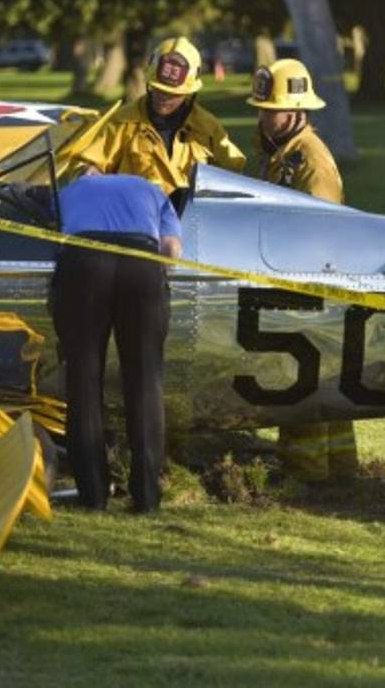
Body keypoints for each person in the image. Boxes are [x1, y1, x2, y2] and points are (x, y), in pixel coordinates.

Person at [247, 58, 357, 482]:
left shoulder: (310, 160)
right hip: (295, 280)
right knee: (323, 383)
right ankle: (341, 472)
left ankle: (305, 475)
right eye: (259, 108)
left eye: (269, 109)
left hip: (312, 285)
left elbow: (323, 233)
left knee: (301, 382)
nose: (262, 116)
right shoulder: (281, 155)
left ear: (295, 110)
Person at [51, 170, 183, 512]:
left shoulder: (72, 189)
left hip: (84, 263)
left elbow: (52, 234)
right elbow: (171, 250)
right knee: (144, 381)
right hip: (142, 264)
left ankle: (93, 496)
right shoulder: (153, 190)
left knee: (83, 377)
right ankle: (147, 497)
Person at [73, 36, 245, 207]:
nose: (163, 97)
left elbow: (235, 173)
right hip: (135, 222)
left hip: (190, 225)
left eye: (172, 94)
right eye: (159, 89)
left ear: (189, 93)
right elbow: (87, 163)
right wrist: (89, 171)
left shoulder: (207, 127)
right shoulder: (123, 121)